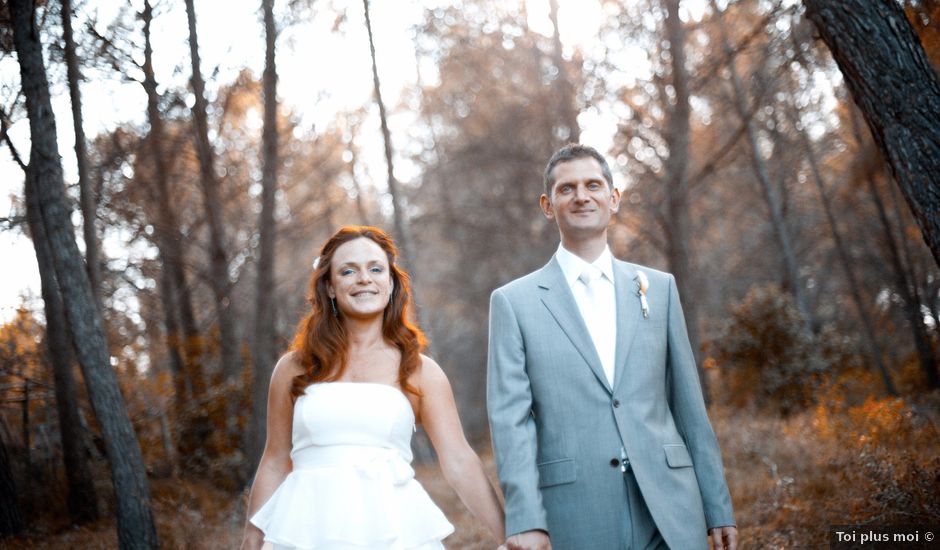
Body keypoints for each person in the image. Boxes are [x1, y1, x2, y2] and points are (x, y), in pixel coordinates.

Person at [486, 144, 738, 550]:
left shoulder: (659, 288)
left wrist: (717, 505)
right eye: (567, 189)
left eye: (593, 185)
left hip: (672, 505)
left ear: (613, 198)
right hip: (575, 512)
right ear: (548, 205)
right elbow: (511, 423)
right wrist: (526, 519)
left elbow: (688, 405)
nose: (581, 196)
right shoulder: (514, 303)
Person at [241, 226, 505, 550]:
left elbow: (459, 461)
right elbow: (274, 459)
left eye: (375, 269)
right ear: (331, 287)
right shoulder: (294, 368)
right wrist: (252, 537)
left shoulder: (420, 371)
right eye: (348, 270)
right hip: (306, 531)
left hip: (392, 532)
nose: (364, 278)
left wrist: (509, 533)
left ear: (390, 284)